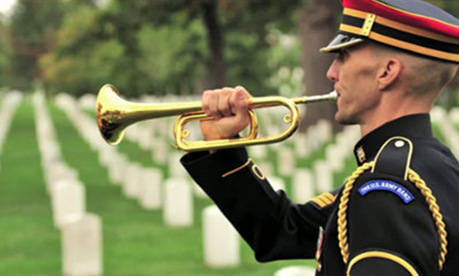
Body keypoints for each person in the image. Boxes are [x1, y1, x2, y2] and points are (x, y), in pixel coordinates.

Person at [181, 0, 459, 275]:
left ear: (386, 72)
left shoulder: (384, 192)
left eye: (343, 56)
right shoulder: (434, 166)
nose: (331, 72)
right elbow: (285, 231)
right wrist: (224, 148)